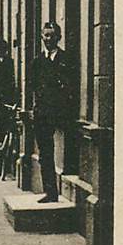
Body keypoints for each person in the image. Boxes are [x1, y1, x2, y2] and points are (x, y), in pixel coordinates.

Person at [29, 22, 74, 203]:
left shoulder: (66, 59)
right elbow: (33, 86)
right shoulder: (37, 61)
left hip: (61, 113)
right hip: (43, 114)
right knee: (45, 154)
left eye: (52, 35)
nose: (48, 39)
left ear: (59, 37)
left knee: (64, 152)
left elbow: (70, 85)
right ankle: (51, 192)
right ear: (42, 37)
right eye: (46, 35)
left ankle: (64, 188)